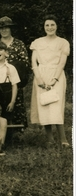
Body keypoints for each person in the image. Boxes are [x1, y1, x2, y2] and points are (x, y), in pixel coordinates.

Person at [30, 15, 70, 148]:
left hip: (56, 75)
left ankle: (63, 139)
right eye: (47, 25)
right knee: (44, 106)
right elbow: (34, 62)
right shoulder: (37, 42)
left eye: (52, 25)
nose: (50, 28)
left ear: (56, 26)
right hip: (41, 75)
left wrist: (55, 79)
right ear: (44, 27)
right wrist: (39, 78)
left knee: (56, 107)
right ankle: (50, 139)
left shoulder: (63, 42)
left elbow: (62, 63)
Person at [0, 16, 29, 127]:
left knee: (14, 105)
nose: (4, 30)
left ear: (10, 29)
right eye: (1, 28)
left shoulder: (19, 44)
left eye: (6, 28)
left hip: (14, 81)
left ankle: (16, 133)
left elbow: (25, 63)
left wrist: (12, 72)